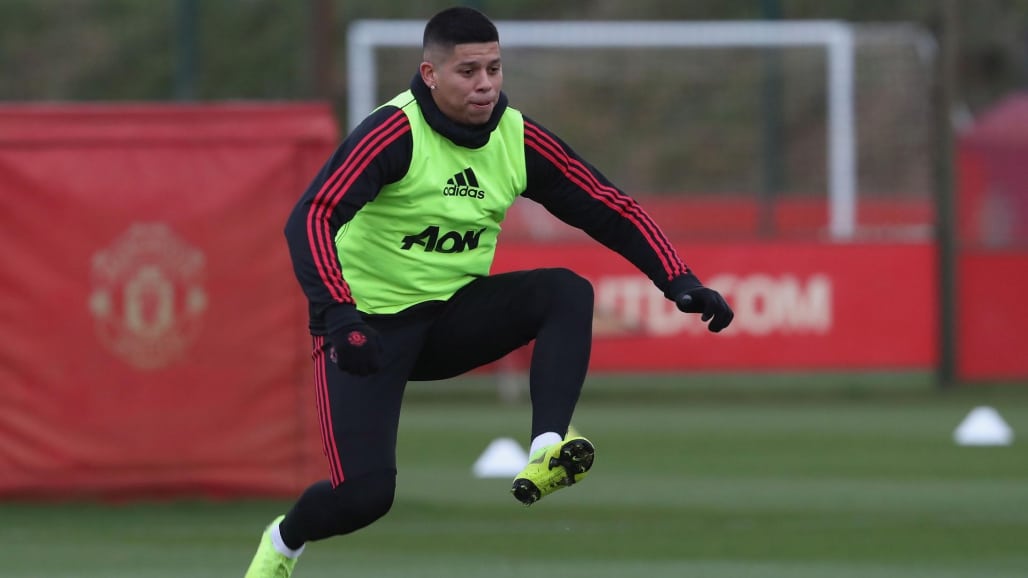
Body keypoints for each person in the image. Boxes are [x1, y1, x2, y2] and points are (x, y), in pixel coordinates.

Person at [244, 6, 733, 577]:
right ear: (430, 75)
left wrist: (679, 279)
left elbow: (607, 205)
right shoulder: (394, 132)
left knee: (565, 292)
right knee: (364, 498)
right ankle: (283, 541)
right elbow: (310, 217)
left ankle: (546, 448)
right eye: (468, 71)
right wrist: (338, 315)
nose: (485, 84)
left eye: (494, 69)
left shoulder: (515, 136)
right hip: (365, 330)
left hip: (450, 320)